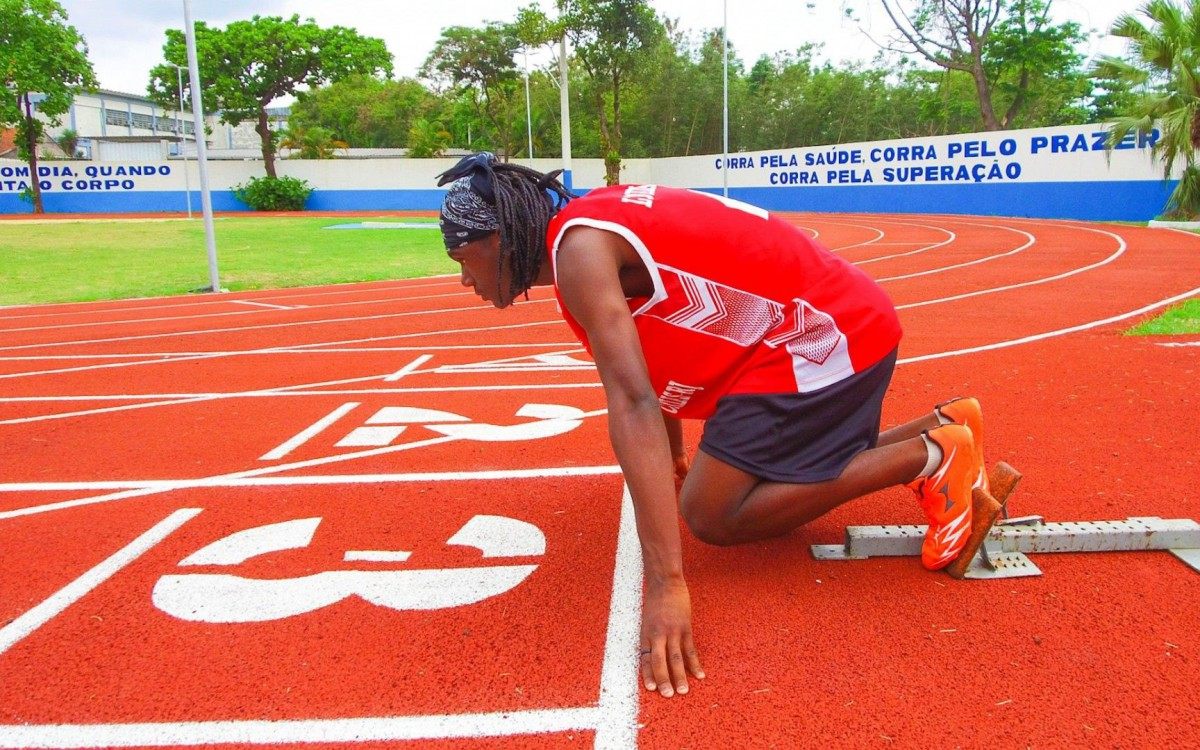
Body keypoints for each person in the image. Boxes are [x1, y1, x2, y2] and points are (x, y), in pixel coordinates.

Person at [435, 153, 988, 699]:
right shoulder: (588, 226)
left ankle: (930, 456)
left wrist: (667, 583)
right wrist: (675, 453)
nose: (464, 278)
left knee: (712, 514)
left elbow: (632, 402)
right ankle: (944, 422)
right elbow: (651, 355)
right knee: (730, 486)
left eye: (462, 257)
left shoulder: (579, 255)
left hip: (820, 337)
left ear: (501, 237)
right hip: (826, 320)